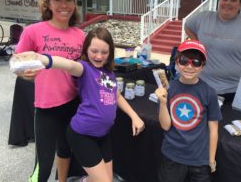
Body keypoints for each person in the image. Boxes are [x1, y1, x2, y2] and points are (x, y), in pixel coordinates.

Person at [16, 27, 145, 182]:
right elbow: (69, 65)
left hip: (103, 134)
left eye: (104, 52)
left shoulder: (109, 73)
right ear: (86, 50)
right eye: (94, 51)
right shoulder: (84, 68)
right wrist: (42, 59)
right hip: (83, 135)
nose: (99, 56)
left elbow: (116, 95)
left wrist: (134, 116)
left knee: (107, 179)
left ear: (110, 52)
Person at [15, 0, 86, 182]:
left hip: (73, 104)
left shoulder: (80, 35)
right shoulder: (33, 31)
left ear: (74, 4)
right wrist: (23, 73)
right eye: (58, 0)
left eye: (68, 1)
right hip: (46, 107)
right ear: (48, 4)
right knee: (43, 163)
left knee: (65, 150)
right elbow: (17, 61)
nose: (64, 5)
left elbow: (86, 69)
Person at [155, 40, 222, 182]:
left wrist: (211, 159)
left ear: (203, 65)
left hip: (199, 159)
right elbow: (165, 126)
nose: (189, 66)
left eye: (196, 62)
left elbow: (214, 129)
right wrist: (162, 103)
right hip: (172, 156)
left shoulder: (209, 92)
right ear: (177, 62)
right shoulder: (168, 88)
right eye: (184, 61)